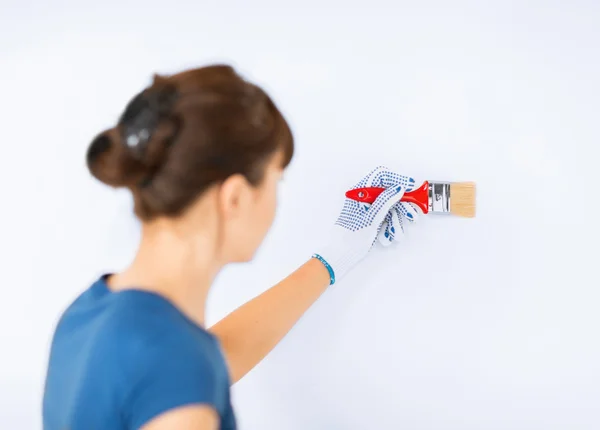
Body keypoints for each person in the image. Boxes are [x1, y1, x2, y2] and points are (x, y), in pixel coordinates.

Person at [42, 64, 419, 430]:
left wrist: (336, 256)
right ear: (235, 197)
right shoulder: (177, 373)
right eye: (277, 180)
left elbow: (212, 356)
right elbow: (183, 372)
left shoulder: (89, 313)